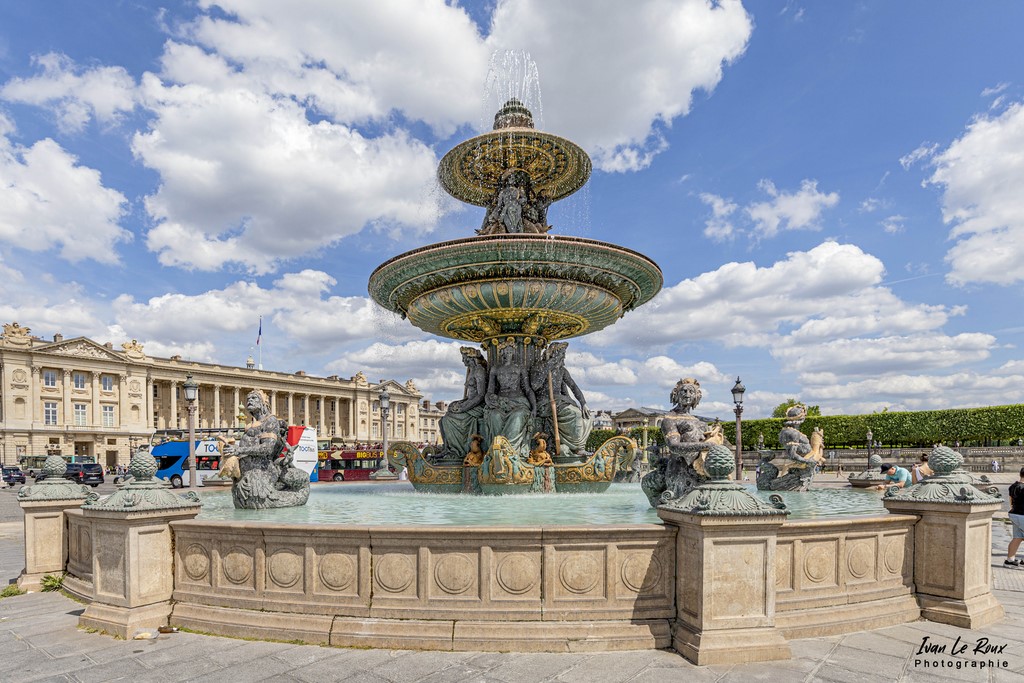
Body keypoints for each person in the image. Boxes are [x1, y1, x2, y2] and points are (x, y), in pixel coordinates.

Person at [1006, 467, 1024, 567]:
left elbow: (1011, 501)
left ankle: (1010, 560)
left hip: (1014, 514)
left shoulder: (1013, 486)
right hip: (1022, 515)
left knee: (1018, 537)